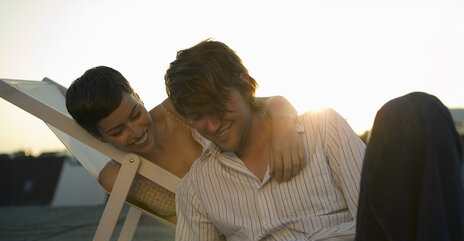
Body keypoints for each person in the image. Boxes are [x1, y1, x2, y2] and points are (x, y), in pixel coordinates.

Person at [162, 39, 464, 241]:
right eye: (198, 116)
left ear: (244, 84)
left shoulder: (322, 129)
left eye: (218, 107)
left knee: (414, 111)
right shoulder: (196, 187)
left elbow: (382, 230)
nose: (213, 125)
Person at [65, 66, 305, 223]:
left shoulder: (176, 110)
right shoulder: (117, 178)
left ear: (137, 97)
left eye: (136, 113)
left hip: (284, 196)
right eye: (118, 131)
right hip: (241, 237)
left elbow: (272, 103)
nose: (137, 131)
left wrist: (283, 128)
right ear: (97, 136)